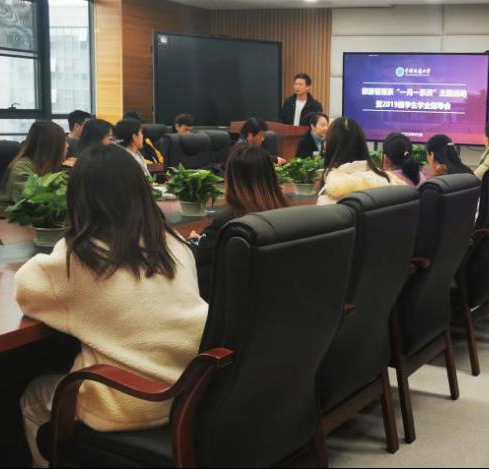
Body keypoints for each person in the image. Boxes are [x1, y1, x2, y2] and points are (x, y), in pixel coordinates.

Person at [15, 146, 207, 468]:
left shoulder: (81, 256)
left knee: (34, 396)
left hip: (126, 404)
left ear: (79, 199)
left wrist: (64, 244)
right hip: (190, 393)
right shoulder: (173, 243)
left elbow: (26, 289)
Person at [190, 144, 289, 297]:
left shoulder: (228, 226)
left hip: (230, 307)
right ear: (272, 177)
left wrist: (194, 243)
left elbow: (198, 267)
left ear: (231, 180)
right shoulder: (289, 218)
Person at [316, 117, 402, 205]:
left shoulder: (330, 193)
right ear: (362, 143)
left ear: (331, 145)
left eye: (326, 139)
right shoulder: (389, 181)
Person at [0, 121, 70, 207]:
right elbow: (38, 200)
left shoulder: (53, 166)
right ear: (51, 145)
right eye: (63, 141)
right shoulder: (20, 167)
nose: (67, 145)